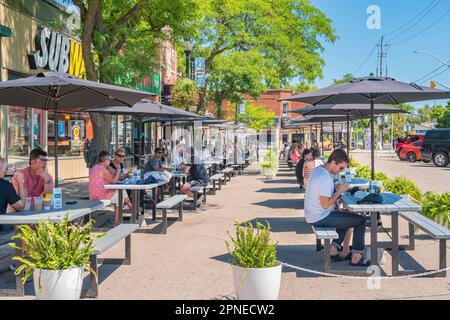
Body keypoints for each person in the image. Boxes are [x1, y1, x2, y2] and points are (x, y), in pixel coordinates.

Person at [304, 149, 369, 267]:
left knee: (346, 217)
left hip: (313, 214)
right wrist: (339, 191)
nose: (341, 172)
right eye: (341, 168)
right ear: (333, 163)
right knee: (361, 220)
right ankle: (356, 257)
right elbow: (325, 205)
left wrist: (334, 188)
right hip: (319, 217)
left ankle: (333, 250)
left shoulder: (318, 171)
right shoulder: (325, 178)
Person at [89, 151, 132, 226]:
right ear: (105, 160)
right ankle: (118, 220)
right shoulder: (103, 169)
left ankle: (131, 209)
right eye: (109, 160)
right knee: (120, 195)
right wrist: (118, 171)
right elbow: (113, 181)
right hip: (101, 195)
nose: (110, 161)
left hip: (93, 194)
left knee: (122, 192)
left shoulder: (94, 167)